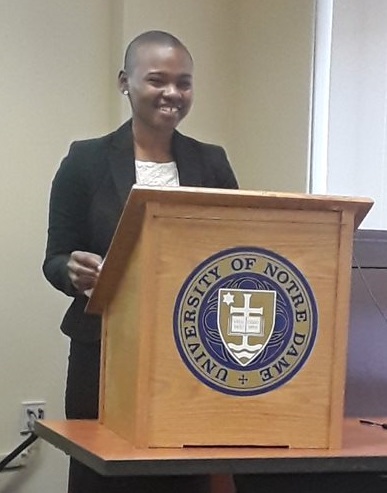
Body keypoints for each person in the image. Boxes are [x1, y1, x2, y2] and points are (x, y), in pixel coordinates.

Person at [43, 30, 238, 493]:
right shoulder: (85, 160)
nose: (172, 93)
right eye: (157, 80)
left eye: (184, 82)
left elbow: (234, 251)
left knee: (182, 476)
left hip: (193, 355)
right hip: (104, 353)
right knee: (102, 476)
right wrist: (71, 270)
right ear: (124, 83)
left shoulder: (212, 163)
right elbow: (54, 257)